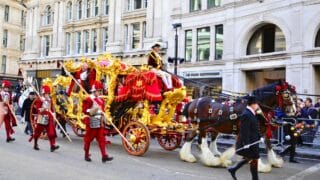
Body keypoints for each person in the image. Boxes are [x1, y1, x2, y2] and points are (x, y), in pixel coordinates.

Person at [228, 96, 260, 180]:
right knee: (253, 160)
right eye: (256, 103)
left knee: (251, 159)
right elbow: (244, 131)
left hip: (254, 141)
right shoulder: (246, 114)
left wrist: (259, 137)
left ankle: (233, 169)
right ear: (252, 104)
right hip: (249, 143)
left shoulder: (251, 113)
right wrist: (246, 144)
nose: (257, 105)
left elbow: (253, 128)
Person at [82, 81, 113, 163]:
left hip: (99, 122)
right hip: (91, 121)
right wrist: (94, 109)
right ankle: (86, 154)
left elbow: (102, 111)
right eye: (98, 91)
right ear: (94, 91)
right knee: (88, 139)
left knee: (101, 139)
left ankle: (104, 156)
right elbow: (85, 110)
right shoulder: (89, 99)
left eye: (100, 91)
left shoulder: (101, 100)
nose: (99, 92)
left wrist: (104, 118)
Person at [32, 85, 59, 152]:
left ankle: (52, 145)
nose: (47, 94)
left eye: (48, 93)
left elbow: (52, 109)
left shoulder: (50, 100)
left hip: (49, 117)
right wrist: (43, 108)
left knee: (51, 132)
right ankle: (35, 143)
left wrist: (54, 115)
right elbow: (38, 109)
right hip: (42, 117)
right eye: (46, 93)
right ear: (44, 94)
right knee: (37, 132)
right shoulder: (40, 100)